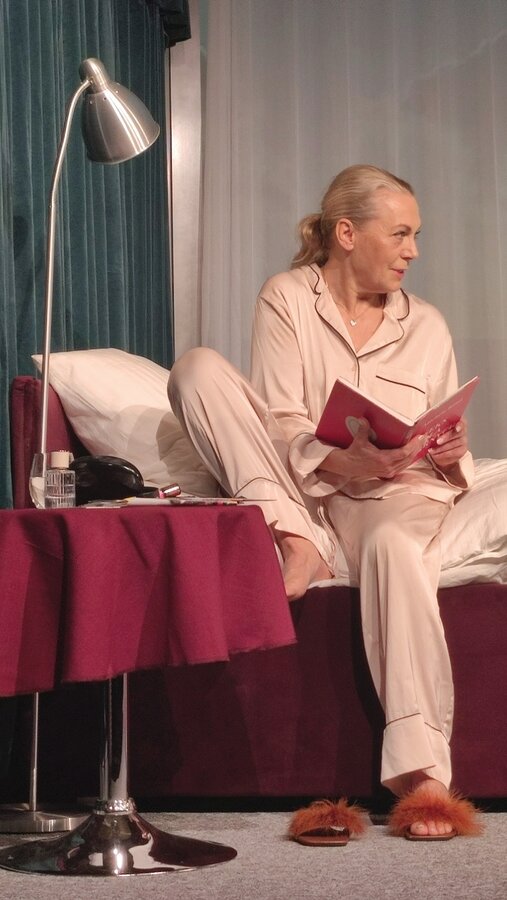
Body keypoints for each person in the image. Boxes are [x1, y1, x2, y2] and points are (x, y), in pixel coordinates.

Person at [168, 164, 482, 841]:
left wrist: (449, 449)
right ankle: (297, 541)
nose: (412, 251)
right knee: (196, 370)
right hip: (304, 493)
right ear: (347, 233)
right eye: (399, 234)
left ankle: (423, 775)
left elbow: (444, 437)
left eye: (416, 236)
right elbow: (281, 419)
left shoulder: (426, 324)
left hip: (391, 497)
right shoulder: (286, 297)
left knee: (395, 547)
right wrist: (338, 460)